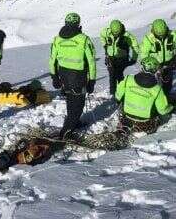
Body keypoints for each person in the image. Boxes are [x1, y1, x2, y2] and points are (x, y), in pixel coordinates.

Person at [49, 12, 96, 140]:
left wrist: (54, 77)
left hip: (64, 77)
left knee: (70, 101)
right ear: (78, 23)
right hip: (78, 77)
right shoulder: (84, 39)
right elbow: (91, 62)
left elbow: (52, 60)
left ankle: (73, 123)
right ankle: (66, 133)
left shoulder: (57, 39)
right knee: (78, 105)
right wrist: (92, 81)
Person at [115, 56, 173, 133]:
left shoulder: (128, 79)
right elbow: (162, 111)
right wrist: (171, 107)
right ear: (155, 70)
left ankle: (124, 124)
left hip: (127, 116)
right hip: (145, 122)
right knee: (163, 111)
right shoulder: (157, 89)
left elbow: (118, 97)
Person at [99, 20, 138, 96]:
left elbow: (135, 47)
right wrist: (105, 45)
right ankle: (113, 94)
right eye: (114, 34)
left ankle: (121, 92)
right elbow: (101, 35)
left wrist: (134, 58)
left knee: (119, 75)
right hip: (110, 57)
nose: (116, 35)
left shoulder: (127, 36)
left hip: (122, 58)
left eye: (118, 34)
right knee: (112, 75)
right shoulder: (106, 32)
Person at [139, 19, 176, 94]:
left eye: (163, 34)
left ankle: (165, 97)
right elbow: (143, 53)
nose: (161, 36)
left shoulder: (173, 34)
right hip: (154, 65)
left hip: (170, 63)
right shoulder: (148, 39)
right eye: (159, 35)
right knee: (154, 85)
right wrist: (149, 66)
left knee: (167, 82)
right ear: (154, 31)